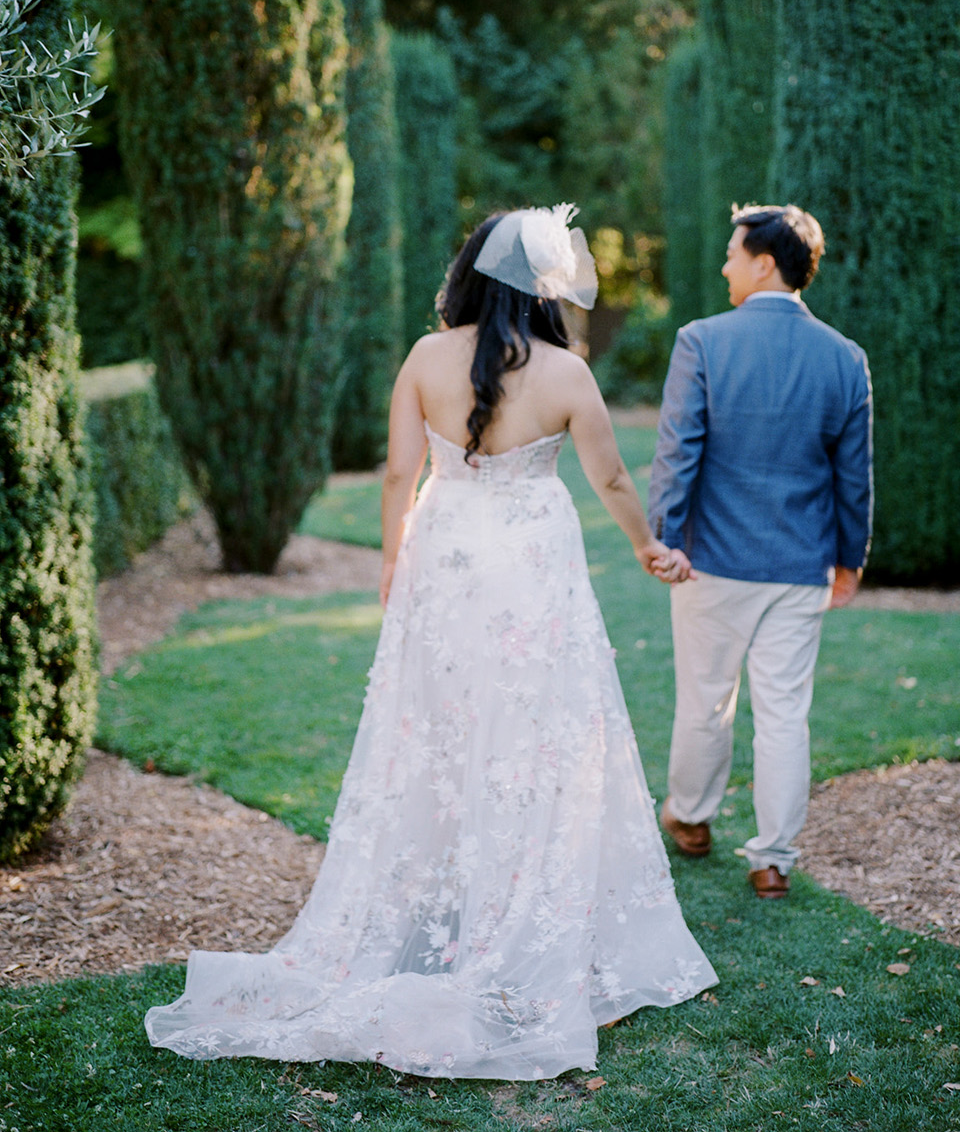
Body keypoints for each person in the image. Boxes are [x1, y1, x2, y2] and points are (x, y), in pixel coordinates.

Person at [145, 204, 717, 1080]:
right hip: (530, 568)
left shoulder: (422, 358)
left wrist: (391, 562)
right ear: (544, 290)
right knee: (536, 738)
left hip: (445, 562)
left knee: (437, 735)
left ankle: (441, 911)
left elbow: (398, 475)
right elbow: (607, 475)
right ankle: (514, 914)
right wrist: (646, 546)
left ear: (469, 276)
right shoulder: (566, 373)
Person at [648, 204, 873, 901]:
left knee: (705, 700)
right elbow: (854, 474)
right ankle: (772, 858)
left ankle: (690, 819)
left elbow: (678, 454)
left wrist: (665, 537)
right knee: (783, 714)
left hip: (712, 561)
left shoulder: (702, 342)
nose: (723, 265)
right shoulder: (844, 357)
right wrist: (849, 558)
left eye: (731, 253)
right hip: (800, 565)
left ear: (764, 262)